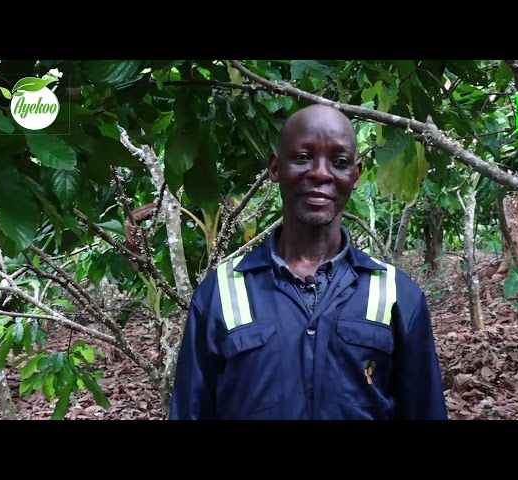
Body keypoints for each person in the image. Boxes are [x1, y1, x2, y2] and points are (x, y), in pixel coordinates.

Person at [168, 103, 448, 420]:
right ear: (275, 168)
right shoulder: (219, 294)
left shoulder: (398, 296)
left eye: (339, 162)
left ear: (355, 175)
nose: (320, 173)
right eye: (302, 157)